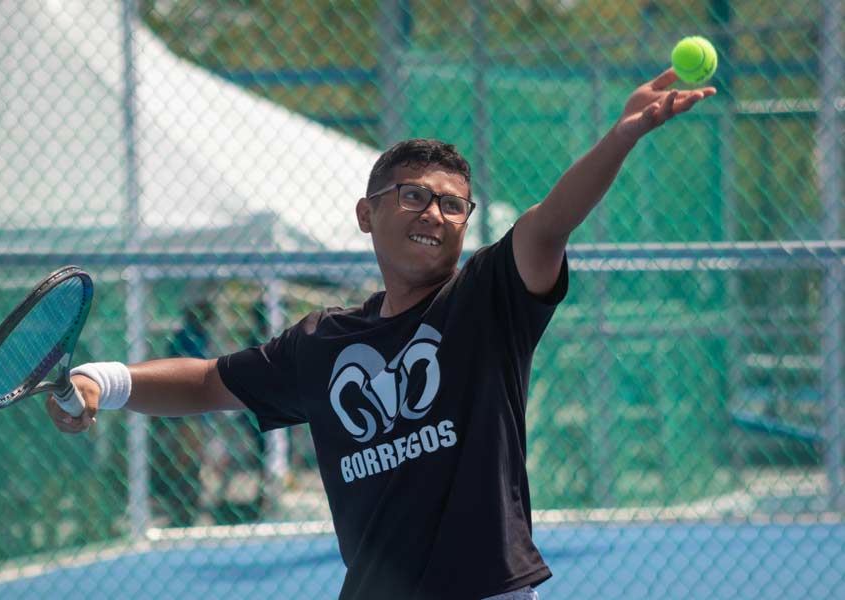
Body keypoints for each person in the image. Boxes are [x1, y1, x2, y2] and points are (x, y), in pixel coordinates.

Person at [48, 70, 714, 600]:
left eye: (454, 204)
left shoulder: (486, 301)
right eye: (415, 195)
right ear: (367, 214)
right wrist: (101, 380)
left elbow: (548, 225)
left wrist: (623, 135)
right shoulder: (321, 342)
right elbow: (209, 380)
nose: (436, 213)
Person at [150, 301, 214, 527]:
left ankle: (187, 509)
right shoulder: (187, 338)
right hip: (187, 413)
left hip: (192, 413)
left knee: (191, 462)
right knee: (185, 461)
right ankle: (183, 509)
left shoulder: (198, 336)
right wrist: (192, 418)